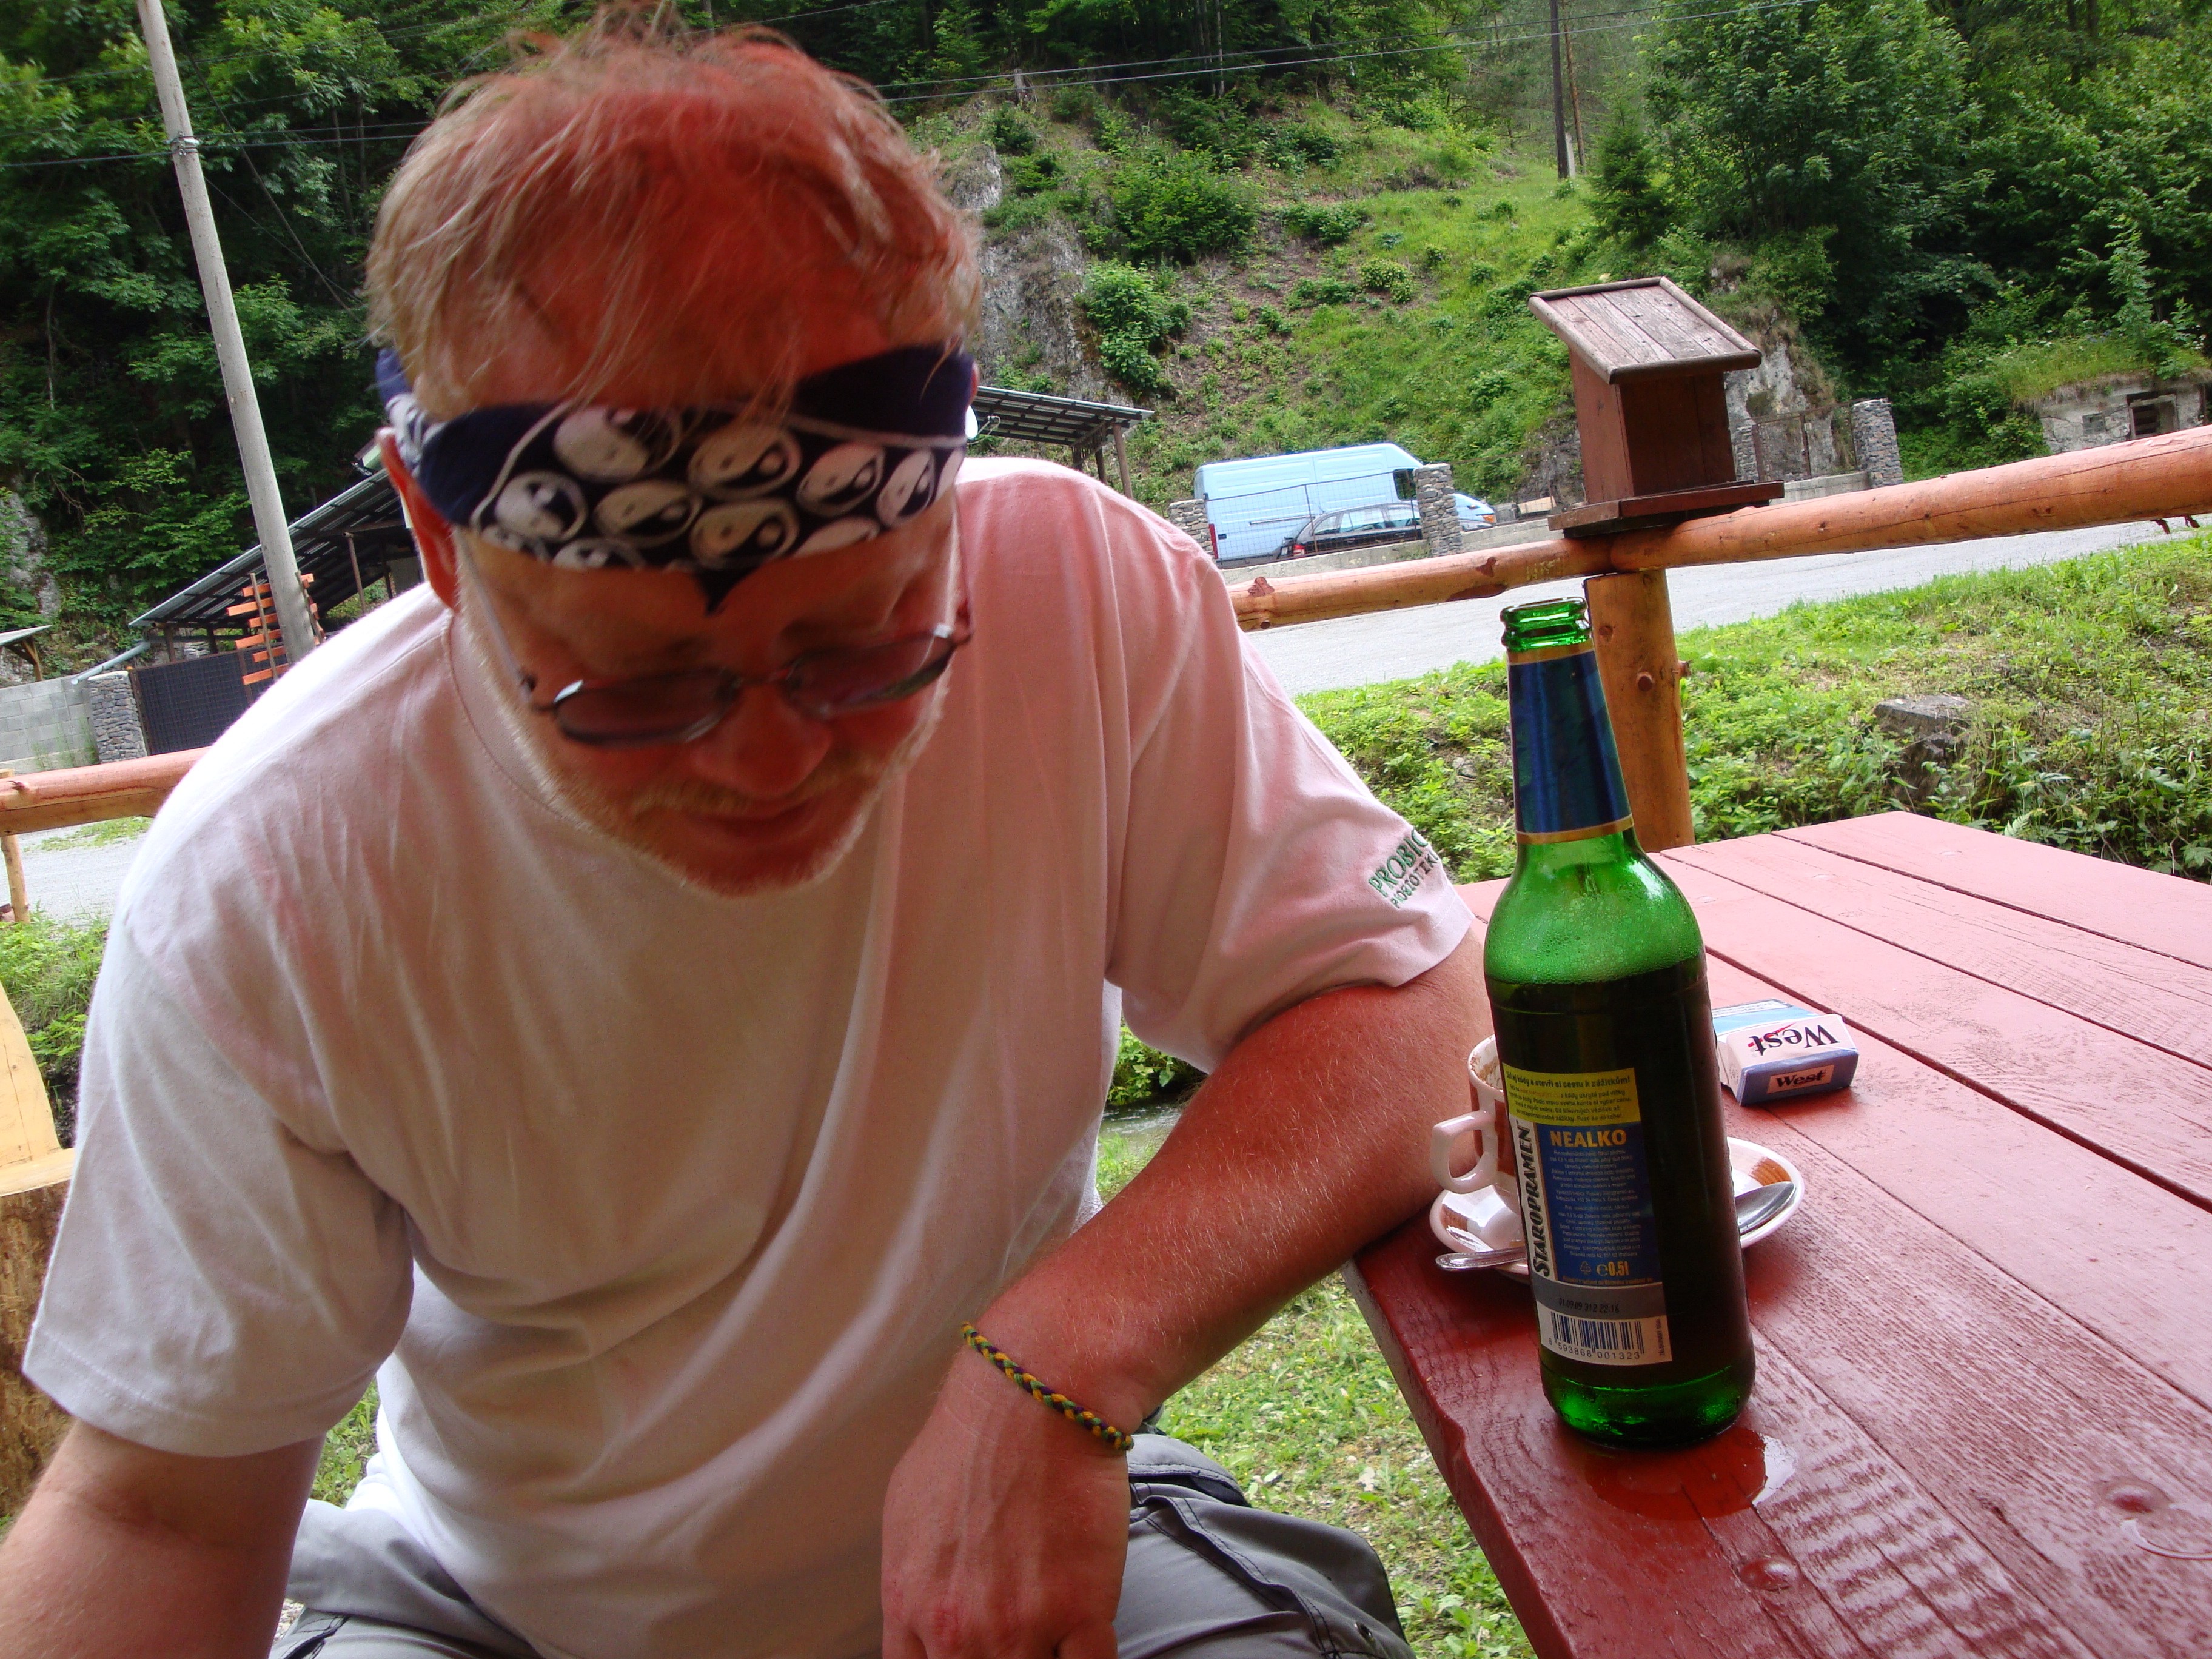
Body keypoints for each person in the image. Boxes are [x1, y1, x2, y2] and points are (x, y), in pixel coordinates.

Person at [0, 20, 1481, 1659]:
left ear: (947, 507)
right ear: (438, 542)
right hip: (491, 1615)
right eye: (643, 685)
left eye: (863, 647)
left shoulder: (1075, 590)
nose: (771, 761)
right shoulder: (271, 879)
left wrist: (1066, 1353)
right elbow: (160, 1516)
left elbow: (1415, 1006)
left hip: (1042, 1511)